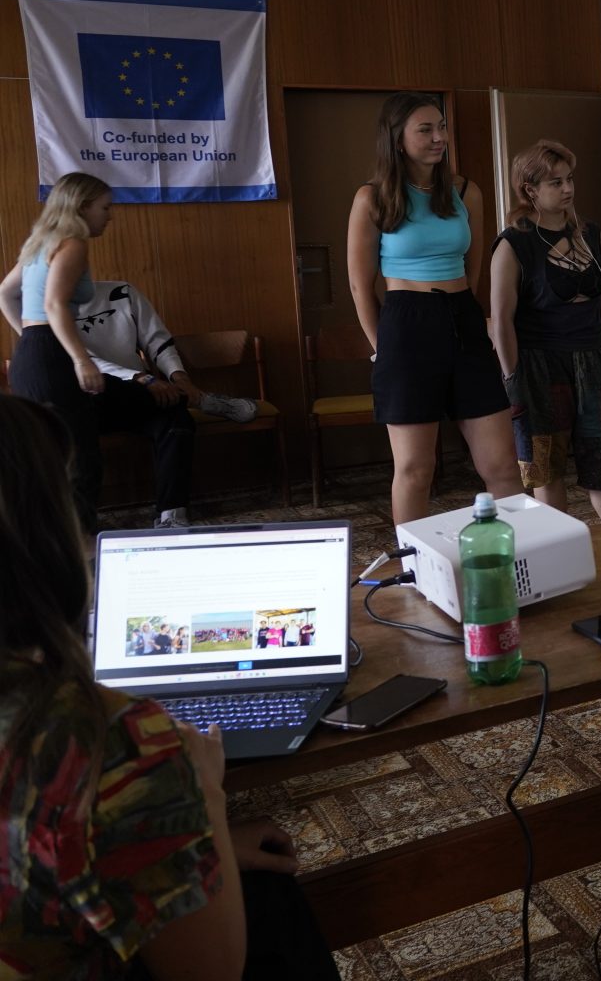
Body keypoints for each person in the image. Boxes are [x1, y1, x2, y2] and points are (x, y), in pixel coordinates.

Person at [0, 394, 337, 979]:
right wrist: (204, 796)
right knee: (273, 904)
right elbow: (213, 972)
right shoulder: (112, 742)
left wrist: (189, 846)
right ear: (50, 541)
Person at [346, 93, 521, 524]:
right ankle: (411, 561)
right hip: (406, 324)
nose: (439, 137)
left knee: (502, 465)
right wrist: (382, 347)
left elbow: (473, 268)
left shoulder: (465, 191)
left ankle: (518, 555)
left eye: (441, 127)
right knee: (415, 470)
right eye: (425, 129)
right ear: (397, 138)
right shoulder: (372, 198)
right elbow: (359, 285)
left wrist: (465, 314)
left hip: (462, 318)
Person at [2, 275, 258, 529]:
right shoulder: (45, 309)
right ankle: (200, 400)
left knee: (177, 420)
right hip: (92, 399)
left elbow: (157, 340)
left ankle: (171, 515)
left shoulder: (122, 292)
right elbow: (82, 361)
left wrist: (179, 377)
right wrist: (142, 378)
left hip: (141, 397)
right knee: (112, 391)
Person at [489, 139, 601, 524]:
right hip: (540, 369)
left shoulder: (590, 233)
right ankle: (556, 553)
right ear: (530, 190)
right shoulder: (513, 243)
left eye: (570, 179)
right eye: (556, 182)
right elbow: (501, 319)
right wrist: (513, 377)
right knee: (546, 472)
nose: (568, 188)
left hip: (596, 364)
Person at [3, 172, 116, 530]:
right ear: (82, 207)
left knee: (48, 456)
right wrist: (81, 359)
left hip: (32, 353)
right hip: (49, 355)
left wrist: (30, 338)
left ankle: (53, 543)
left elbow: (5, 293)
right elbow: (54, 304)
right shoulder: (72, 243)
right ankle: (80, 545)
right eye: (104, 208)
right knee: (79, 459)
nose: (109, 216)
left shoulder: (40, 243)